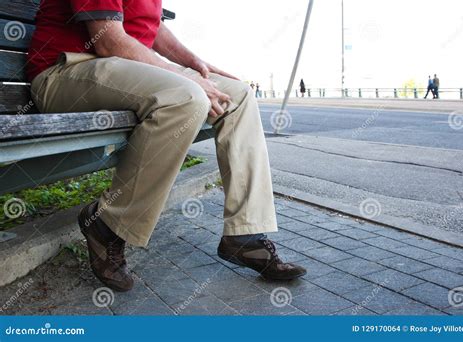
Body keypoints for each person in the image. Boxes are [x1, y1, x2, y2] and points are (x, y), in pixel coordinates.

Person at [27, 0, 306, 292]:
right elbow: (108, 39)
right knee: (186, 97)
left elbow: (152, 25)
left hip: (117, 67)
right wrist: (185, 78)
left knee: (238, 95)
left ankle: (244, 234)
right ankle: (106, 224)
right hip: (64, 71)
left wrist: (193, 62)